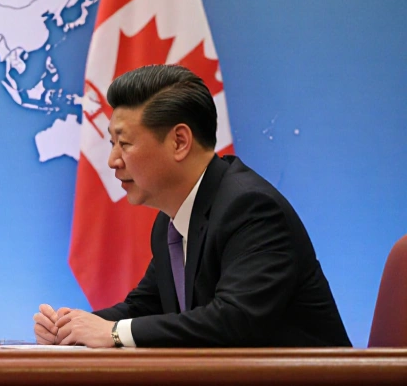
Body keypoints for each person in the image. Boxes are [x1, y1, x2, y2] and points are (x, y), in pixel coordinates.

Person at [36, 65, 350, 348]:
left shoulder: (251, 209)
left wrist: (114, 333)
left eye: (125, 143)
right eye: (111, 143)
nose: (113, 160)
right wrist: (71, 328)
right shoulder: (171, 222)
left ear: (179, 142)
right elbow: (144, 307)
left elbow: (233, 320)